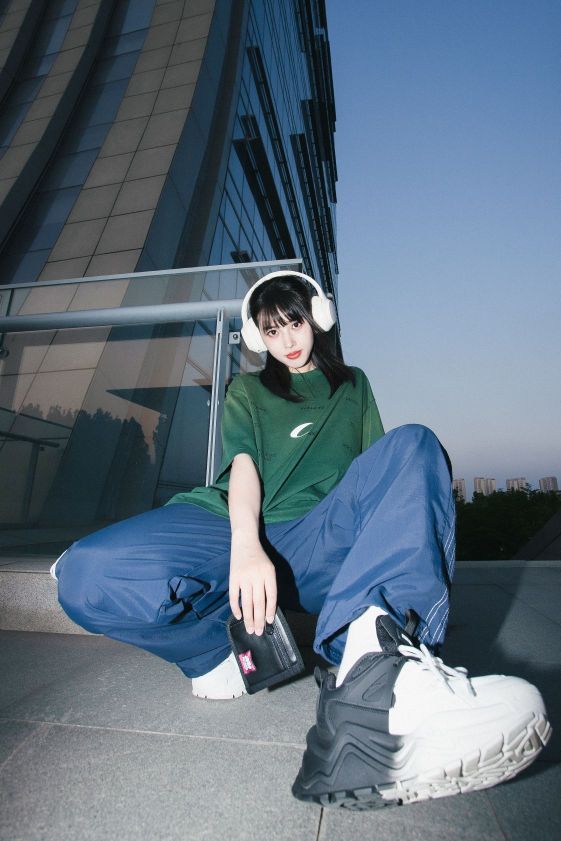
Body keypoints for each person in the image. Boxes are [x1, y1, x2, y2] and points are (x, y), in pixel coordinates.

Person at [53, 271, 550, 810]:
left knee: (414, 445)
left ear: (318, 318)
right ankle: (211, 651)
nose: (287, 340)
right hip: (229, 521)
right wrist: (247, 545)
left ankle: (380, 678)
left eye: (294, 323)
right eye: (272, 331)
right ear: (257, 338)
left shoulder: (353, 385)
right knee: (84, 577)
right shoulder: (247, 390)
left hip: (320, 536)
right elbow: (243, 467)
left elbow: (381, 473)